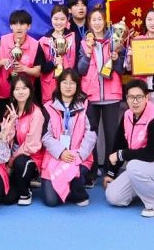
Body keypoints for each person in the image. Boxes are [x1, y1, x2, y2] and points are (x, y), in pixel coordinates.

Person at [103, 79, 154, 218]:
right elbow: (119, 144)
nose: (135, 101)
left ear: (147, 97)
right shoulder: (127, 115)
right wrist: (111, 173)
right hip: (145, 167)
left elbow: (151, 154)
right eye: (131, 97)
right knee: (113, 196)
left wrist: (121, 154)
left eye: (139, 97)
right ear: (126, 98)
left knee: (133, 166)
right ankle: (145, 190)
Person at [78, 6, 128, 164]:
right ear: (89, 22)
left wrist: (116, 59)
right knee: (90, 134)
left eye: (100, 19)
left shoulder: (116, 40)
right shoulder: (84, 43)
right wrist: (87, 55)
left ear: (105, 21)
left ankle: (110, 168)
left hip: (111, 95)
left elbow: (121, 70)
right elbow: (80, 70)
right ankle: (90, 169)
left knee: (111, 134)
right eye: (94, 19)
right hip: (90, 95)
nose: (97, 23)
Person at [40, 69, 95, 207]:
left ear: (77, 85)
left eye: (72, 83)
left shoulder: (85, 105)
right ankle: (69, 188)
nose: (68, 86)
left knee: (75, 175)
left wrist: (79, 155)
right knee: (51, 201)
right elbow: (45, 136)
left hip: (79, 156)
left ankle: (77, 190)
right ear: (59, 84)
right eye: (65, 82)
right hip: (55, 157)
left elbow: (91, 134)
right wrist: (61, 152)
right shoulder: (48, 107)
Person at [0, 73, 44, 206]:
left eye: (24, 88)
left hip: (30, 158)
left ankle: (26, 192)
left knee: (20, 162)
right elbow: (4, 140)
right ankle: (20, 182)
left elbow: (32, 145)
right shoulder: (9, 112)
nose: (21, 92)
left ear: (30, 91)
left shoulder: (36, 113)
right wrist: (11, 126)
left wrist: (11, 162)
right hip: (10, 159)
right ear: (13, 93)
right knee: (6, 199)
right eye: (17, 89)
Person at [0, 9, 43, 101]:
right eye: (15, 24)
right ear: (10, 26)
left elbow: (37, 72)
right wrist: (2, 62)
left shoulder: (35, 45)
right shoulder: (3, 40)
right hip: (2, 91)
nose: (18, 27)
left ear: (29, 26)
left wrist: (24, 68)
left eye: (22, 24)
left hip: (25, 94)